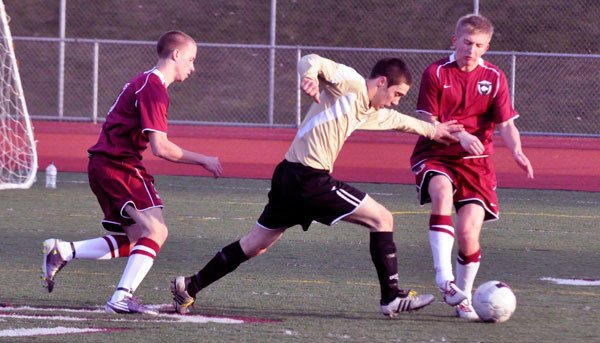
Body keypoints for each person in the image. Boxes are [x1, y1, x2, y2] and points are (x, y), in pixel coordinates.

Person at [170, 54, 464, 318]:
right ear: (382, 82)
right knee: (382, 219)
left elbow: (398, 120)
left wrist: (434, 130)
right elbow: (310, 60)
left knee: (254, 245)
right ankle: (391, 297)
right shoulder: (350, 83)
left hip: (288, 176)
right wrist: (309, 76)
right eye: (397, 93)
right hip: (309, 178)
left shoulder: (368, 109)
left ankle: (190, 285)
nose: (397, 100)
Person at [41, 30, 223, 315]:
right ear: (176, 55)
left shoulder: (145, 81)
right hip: (118, 165)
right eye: (191, 59)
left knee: (139, 238)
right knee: (157, 231)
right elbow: (160, 147)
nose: (193, 67)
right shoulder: (153, 86)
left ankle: (63, 251)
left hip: (107, 164)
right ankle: (121, 298)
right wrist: (203, 160)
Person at [410, 14, 534, 320]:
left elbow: (506, 124)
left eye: (479, 44)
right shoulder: (436, 73)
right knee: (440, 191)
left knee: (468, 234)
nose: (472, 49)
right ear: (455, 41)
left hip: (477, 166)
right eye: (467, 42)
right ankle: (444, 279)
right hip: (437, 154)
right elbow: (428, 120)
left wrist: (517, 150)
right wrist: (462, 134)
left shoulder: (495, 78)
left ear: (487, 46)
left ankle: (463, 297)